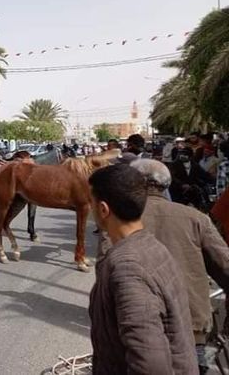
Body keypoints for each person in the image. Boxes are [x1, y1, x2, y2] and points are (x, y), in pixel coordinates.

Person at [109, 159, 229, 373]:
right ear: (166, 184)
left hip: (136, 328)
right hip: (191, 326)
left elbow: (106, 271)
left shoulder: (118, 219)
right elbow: (225, 266)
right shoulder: (195, 218)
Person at [88, 164, 197, 374]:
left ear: (103, 209)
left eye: (90, 202)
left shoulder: (127, 269)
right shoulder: (151, 247)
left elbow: (149, 363)